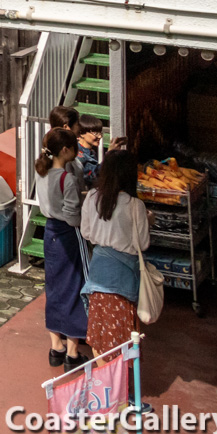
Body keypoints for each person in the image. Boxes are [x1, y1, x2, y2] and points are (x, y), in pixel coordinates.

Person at [80, 149, 150, 360]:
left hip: (98, 274)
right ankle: (118, 387)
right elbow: (143, 243)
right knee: (122, 336)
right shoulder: (135, 205)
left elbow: (86, 233)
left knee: (99, 334)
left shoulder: (92, 197)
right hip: (124, 279)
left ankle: (105, 386)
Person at [35, 128, 89, 369]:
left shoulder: (42, 171)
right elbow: (72, 216)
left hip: (50, 232)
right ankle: (73, 352)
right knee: (76, 287)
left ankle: (56, 347)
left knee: (54, 287)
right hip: (68, 235)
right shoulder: (67, 179)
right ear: (66, 150)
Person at [77, 115, 104, 187]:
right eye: (95, 133)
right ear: (81, 133)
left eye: (100, 133)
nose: (100, 136)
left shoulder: (91, 152)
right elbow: (92, 177)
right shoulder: (79, 155)